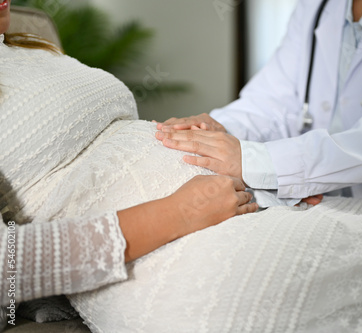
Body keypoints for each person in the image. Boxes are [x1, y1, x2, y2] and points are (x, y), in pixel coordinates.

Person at [0, 0, 258, 309]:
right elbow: (7, 265)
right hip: (166, 261)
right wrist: (180, 212)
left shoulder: (28, 45)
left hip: (230, 209)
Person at [156, 0, 362, 207]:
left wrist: (253, 160)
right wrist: (218, 130)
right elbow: (273, 99)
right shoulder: (316, 6)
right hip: (337, 213)